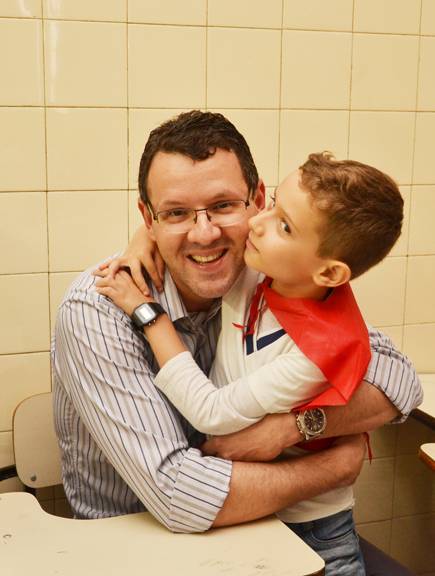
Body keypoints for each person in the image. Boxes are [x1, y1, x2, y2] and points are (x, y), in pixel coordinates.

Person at [52, 111, 421, 543]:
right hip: (132, 545)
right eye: (176, 213)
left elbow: (398, 379)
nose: (204, 234)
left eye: (223, 206)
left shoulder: (264, 268)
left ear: (257, 199)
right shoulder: (99, 308)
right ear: (148, 219)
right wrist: (333, 467)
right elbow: (179, 498)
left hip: (266, 533)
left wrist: (292, 427)